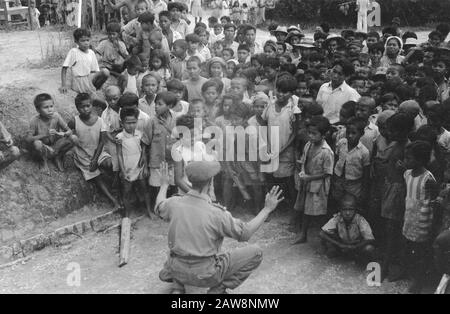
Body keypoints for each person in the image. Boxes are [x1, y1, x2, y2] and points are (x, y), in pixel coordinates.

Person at [156, 160, 284, 294]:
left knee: (180, 246)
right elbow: (246, 233)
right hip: (205, 274)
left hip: (177, 268)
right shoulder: (217, 213)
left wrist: (164, 185)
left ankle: (178, 287)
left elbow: (159, 206)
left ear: (190, 181)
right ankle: (217, 290)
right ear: (210, 182)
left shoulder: (173, 203)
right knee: (256, 252)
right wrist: (267, 209)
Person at [68, 93, 121, 210]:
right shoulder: (74, 121)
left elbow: (102, 141)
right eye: (82, 107)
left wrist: (95, 159)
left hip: (98, 151)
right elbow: (67, 134)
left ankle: (117, 189)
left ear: (92, 105)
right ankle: (113, 200)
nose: (86, 109)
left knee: (111, 164)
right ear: (77, 108)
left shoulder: (100, 121)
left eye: (88, 106)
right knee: (97, 177)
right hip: (83, 154)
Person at [402, 140, 438, 293]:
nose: (405, 161)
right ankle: (412, 274)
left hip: (423, 224)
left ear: (421, 160)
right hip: (409, 219)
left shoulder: (428, 179)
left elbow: (435, 203)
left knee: (420, 253)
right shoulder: (407, 174)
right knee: (410, 249)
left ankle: (419, 280)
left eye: (409, 158)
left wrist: (432, 226)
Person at [293, 116, 334, 244]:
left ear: (324, 134)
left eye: (314, 133)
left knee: (319, 212)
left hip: (318, 187)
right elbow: (305, 160)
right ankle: (303, 234)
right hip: (306, 184)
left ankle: (324, 239)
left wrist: (309, 177)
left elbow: (327, 173)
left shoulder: (327, 152)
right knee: (306, 210)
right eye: (309, 133)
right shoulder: (308, 145)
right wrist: (301, 168)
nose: (310, 136)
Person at [116, 107, 152, 218]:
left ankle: (149, 210)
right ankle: (127, 213)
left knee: (144, 189)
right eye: (128, 123)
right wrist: (123, 171)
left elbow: (143, 152)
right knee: (127, 191)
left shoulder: (140, 134)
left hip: (139, 167)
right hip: (127, 169)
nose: (131, 125)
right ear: (122, 123)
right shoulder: (119, 137)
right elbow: (119, 155)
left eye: (133, 122)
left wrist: (145, 167)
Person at [320, 193, 376, 262]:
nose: (347, 213)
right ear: (340, 210)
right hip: (342, 244)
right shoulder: (337, 218)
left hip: (356, 246)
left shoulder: (360, 220)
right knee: (327, 240)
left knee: (369, 248)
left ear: (355, 210)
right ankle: (340, 253)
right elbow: (322, 233)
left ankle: (357, 258)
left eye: (351, 209)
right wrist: (339, 244)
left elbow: (370, 239)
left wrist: (354, 247)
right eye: (344, 209)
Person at [26, 93, 73, 173]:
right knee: (37, 143)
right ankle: (43, 161)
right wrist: (44, 134)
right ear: (38, 110)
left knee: (74, 138)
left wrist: (61, 133)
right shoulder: (34, 120)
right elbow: (28, 139)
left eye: (51, 106)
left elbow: (69, 131)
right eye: (46, 107)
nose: (50, 109)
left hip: (56, 145)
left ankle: (58, 157)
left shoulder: (56, 116)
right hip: (44, 148)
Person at [60, 28, 109, 95]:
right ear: (76, 41)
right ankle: (90, 91)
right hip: (78, 81)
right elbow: (64, 68)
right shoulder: (74, 52)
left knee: (105, 72)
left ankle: (96, 89)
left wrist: (97, 81)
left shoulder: (91, 53)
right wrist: (63, 85)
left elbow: (94, 70)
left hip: (88, 78)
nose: (86, 43)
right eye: (82, 41)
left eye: (87, 40)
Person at [316, 60, 361, 124]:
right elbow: (318, 106)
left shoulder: (352, 93)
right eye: (334, 71)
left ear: (346, 76)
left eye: (340, 74)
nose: (335, 76)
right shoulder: (323, 87)